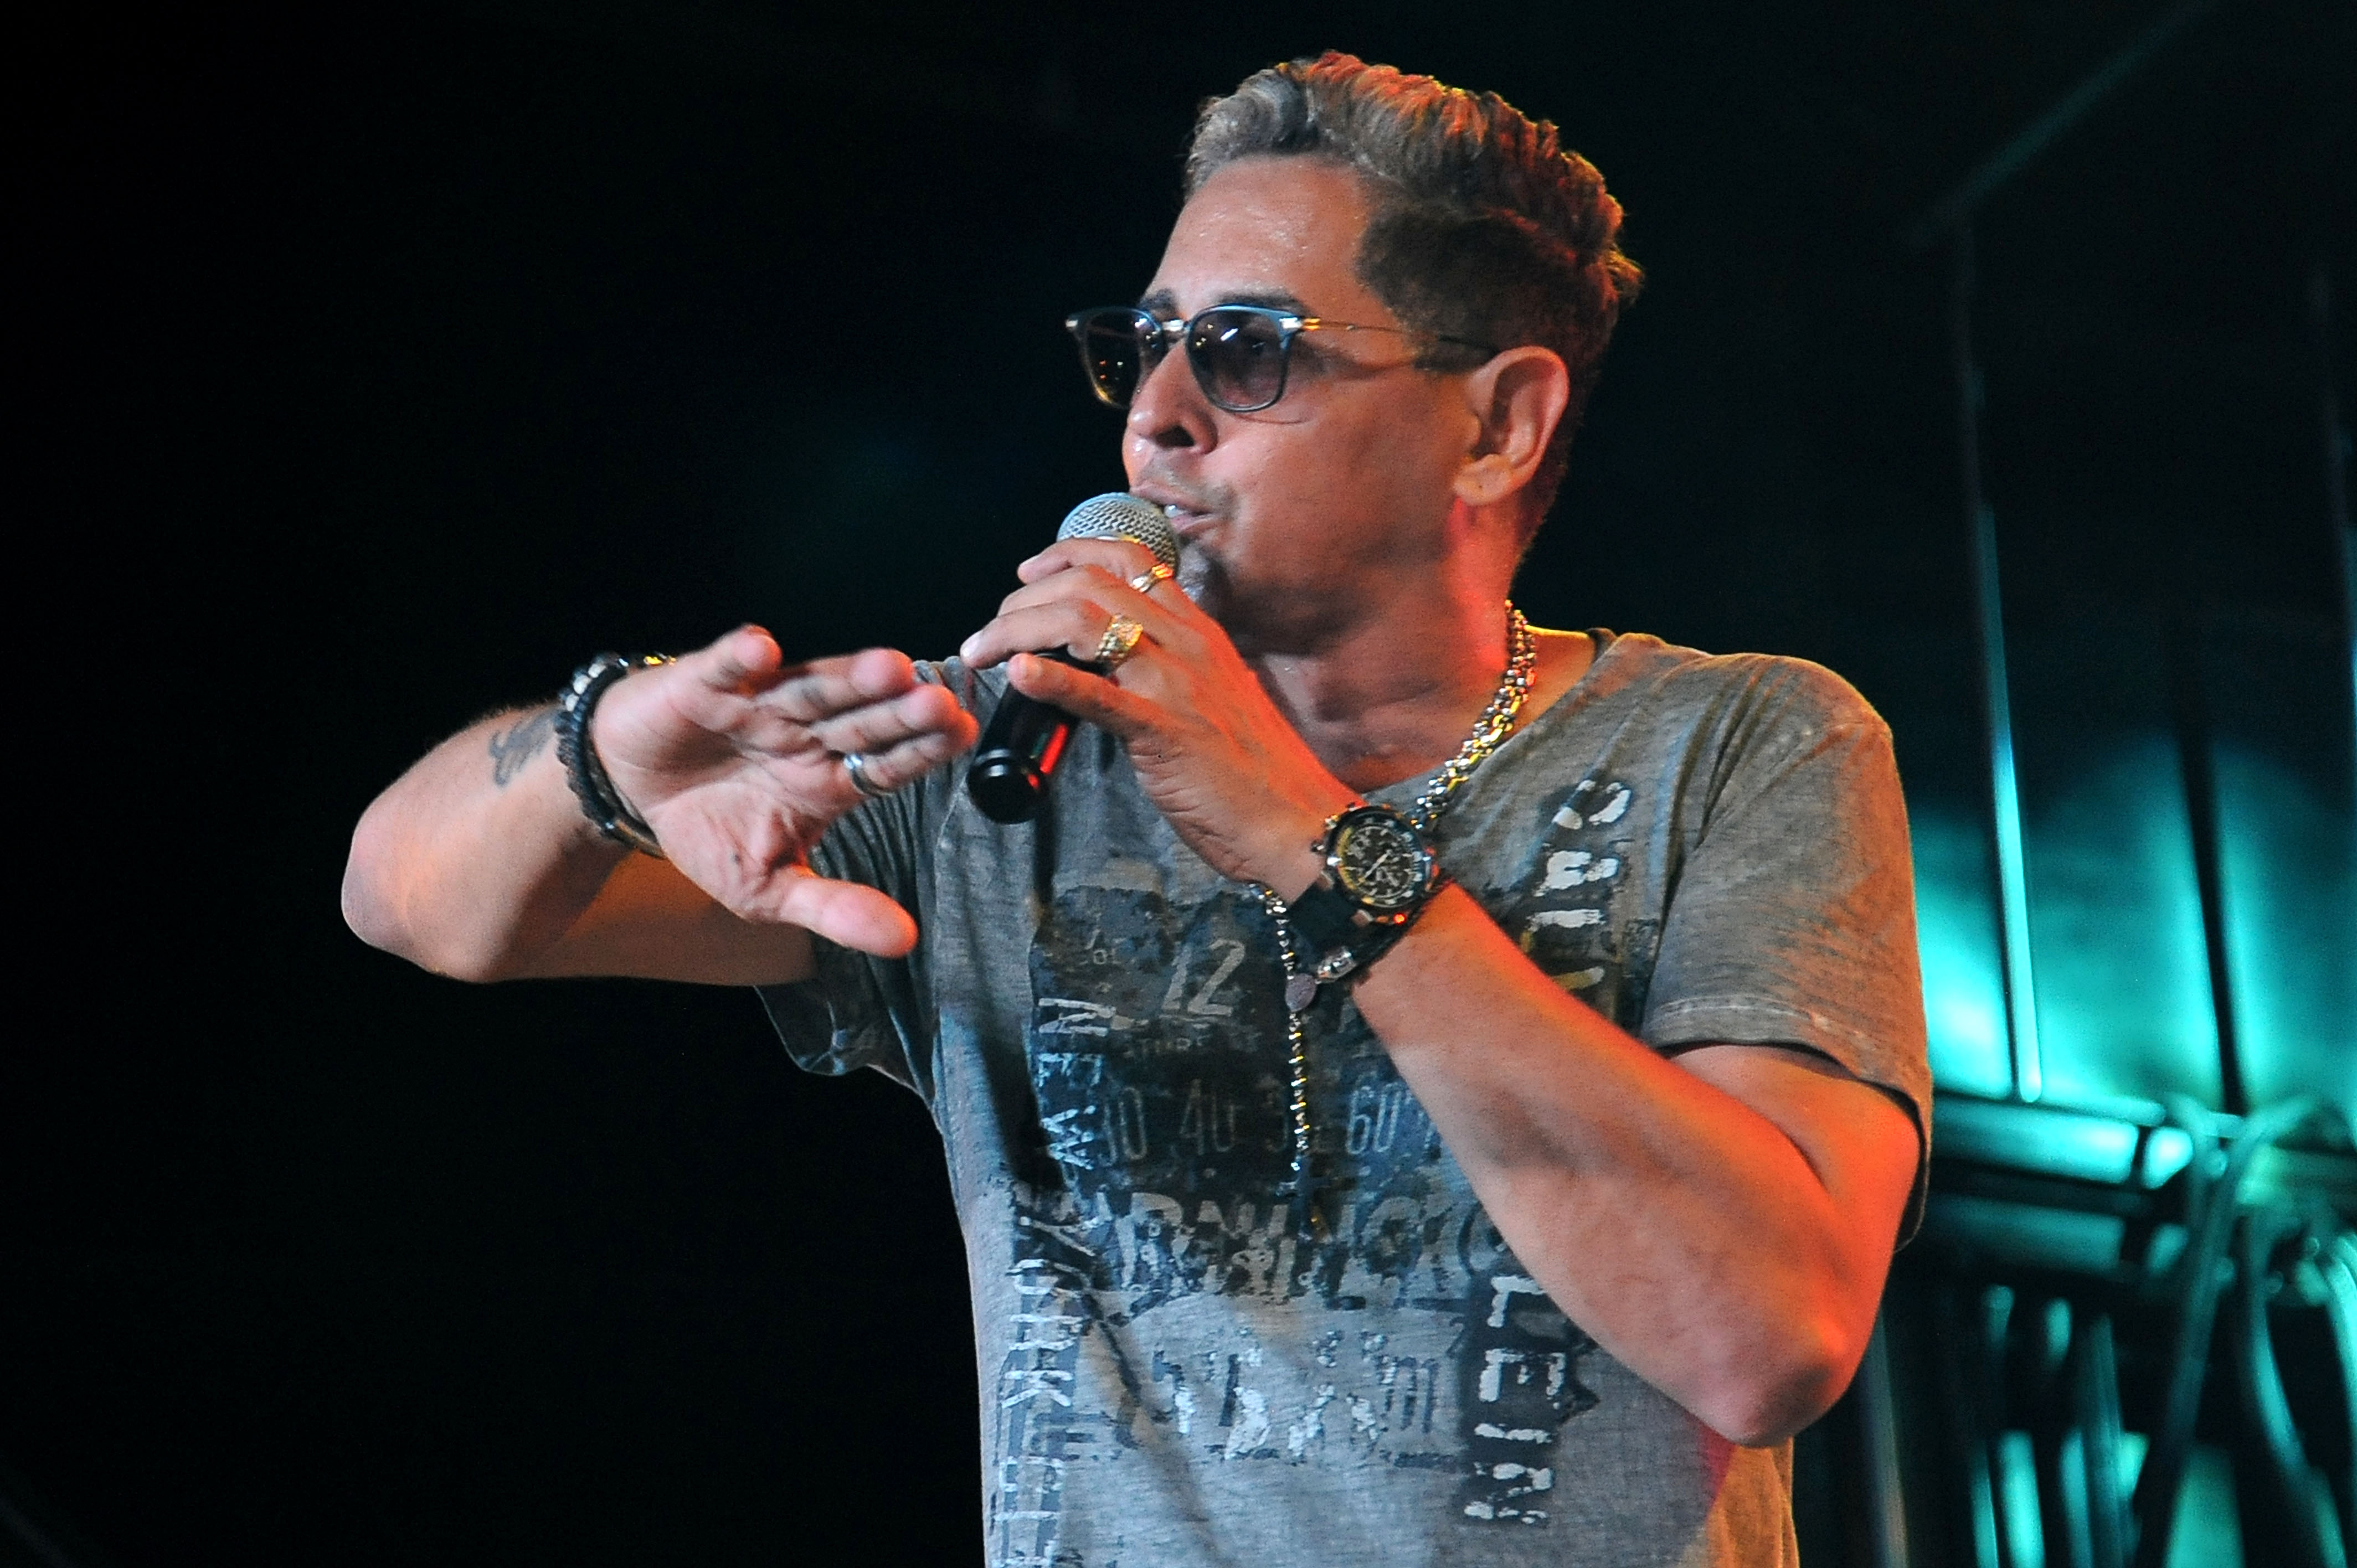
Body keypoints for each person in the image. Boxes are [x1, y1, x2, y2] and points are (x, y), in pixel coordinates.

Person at [344, 51, 1928, 1567]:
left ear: (1496, 425)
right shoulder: (989, 761)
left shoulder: (1737, 743)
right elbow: (404, 900)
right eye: (1144, 345)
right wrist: (594, 757)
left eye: (1246, 350)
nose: (1155, 416)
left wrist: (1312, 845)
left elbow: (1766, 1337)